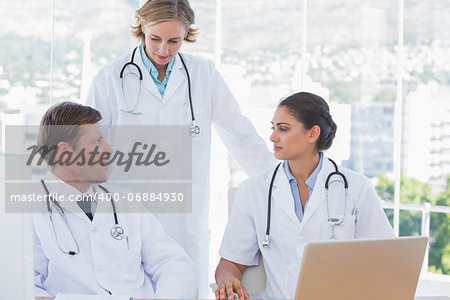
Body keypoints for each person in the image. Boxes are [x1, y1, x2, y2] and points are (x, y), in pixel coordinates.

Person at [85, 0, 276, 295]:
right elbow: (89, 146)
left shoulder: (203, 75)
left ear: (187, 33)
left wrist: (277, 183)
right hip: (124, 211)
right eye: (155, 39)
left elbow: (240, 134)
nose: (163, 50)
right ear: (142, 29)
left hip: (183, 220)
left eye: (174, 40)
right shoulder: (111, 77)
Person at [215, 92, 395, 299]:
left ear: (312, 134)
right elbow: (230, 262)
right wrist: (226, 279)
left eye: (283, 129)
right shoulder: (253, 191)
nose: (273, 137)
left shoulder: (356, 188)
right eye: (273, 128)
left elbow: (385, 259)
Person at [33, 102, 197, 298]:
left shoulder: (124, 201)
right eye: (97, 142)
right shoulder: (29, 211)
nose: (109, 150)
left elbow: (172, 262)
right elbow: (22, 288)